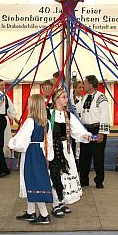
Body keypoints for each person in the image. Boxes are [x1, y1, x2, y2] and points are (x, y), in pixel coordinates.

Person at [8, 94, 53, 225]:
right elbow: (48, 142)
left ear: (33, 106)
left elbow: (22, 141)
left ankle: (44, 215)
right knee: (32, 180)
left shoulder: (30, 121)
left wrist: (12, 144)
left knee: (33, 181)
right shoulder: (47, 123)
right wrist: (49, 157)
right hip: (40, 153)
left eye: (29, 103)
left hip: (31, 153)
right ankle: (30, 211)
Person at [48, 89, 90, 217]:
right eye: (64, 97)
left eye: (66, 97)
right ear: (56, 99)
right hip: (53, 150)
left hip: (66, 150)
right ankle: (55, 204)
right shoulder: (49, 114)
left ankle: (61, 201)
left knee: (65, 176)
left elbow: (77, 130)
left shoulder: (68, 115)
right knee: (55, 175)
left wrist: (86, 136)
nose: (67, 99)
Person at [76, 75, 110, 189]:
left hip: (97, 129)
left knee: (98, 156)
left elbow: (105, 115)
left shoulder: (101, 98)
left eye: (85, 83)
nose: (83, 85)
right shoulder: (84, 98)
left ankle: (99, 180)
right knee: (84, 156)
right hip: (86, 130)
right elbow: (78, 109)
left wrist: (102, 133)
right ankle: (83, 180)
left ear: (91, 84)